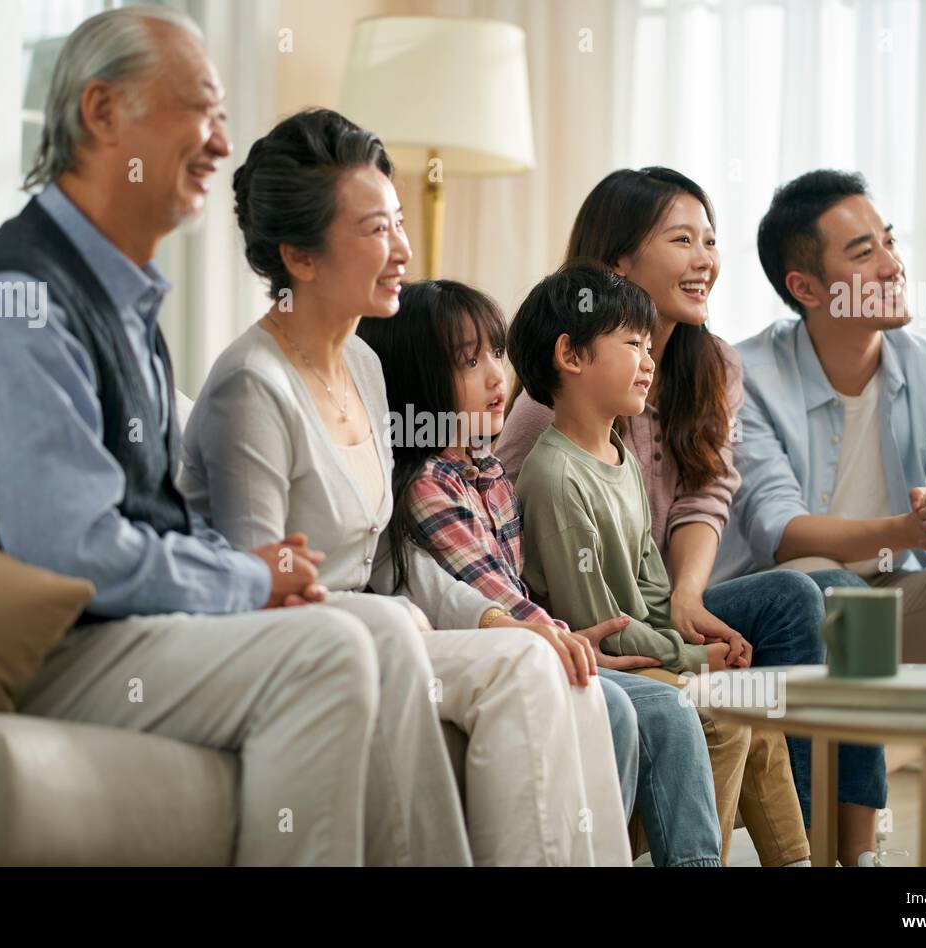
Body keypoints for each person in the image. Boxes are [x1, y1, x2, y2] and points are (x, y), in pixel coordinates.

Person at [0, 7, 402, 866]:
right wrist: (245, 575)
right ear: (101, 113)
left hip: (107, 630)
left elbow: (149, 514)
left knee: (380, 630)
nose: (222, 144)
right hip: (27, 646)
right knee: (329, 651)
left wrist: (260, 581)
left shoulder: (125, 304)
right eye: (201, 108)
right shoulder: (19, 300)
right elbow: (73, 551)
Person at [179, 108, 630, 866]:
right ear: (301, 256)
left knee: (551, 663)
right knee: (513, 662)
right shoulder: (251, 388)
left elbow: (396, 556)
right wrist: (388, 618)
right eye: (376, 229)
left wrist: (505, 622)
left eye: (397, 222)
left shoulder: (363, 364)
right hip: (310, 645)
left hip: (381, 625)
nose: (403, 249)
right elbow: (251, 595)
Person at [498, 168, 884, 865]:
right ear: (617, 261)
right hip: (589, 620)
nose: (705, 258)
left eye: (710, 239)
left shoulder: (714, 367)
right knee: (787, 617)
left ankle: (840, 850)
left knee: (824, 597)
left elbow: (708, 495)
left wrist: (686, 596)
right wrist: (681, 644)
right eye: (682, 239)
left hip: (664, 597)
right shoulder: (549, 419)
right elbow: (536, 559)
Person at [721, 168, 926, 865]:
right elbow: (778, 533)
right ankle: (828, 842)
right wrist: (907, 532)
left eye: (891, 242)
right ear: (804, 287)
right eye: (864, 251)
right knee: (818, 575)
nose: (894, 265)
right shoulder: (744, 374)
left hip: (894, 604)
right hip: (788, 616)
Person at [357, 278, 721, 866]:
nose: (498, 377)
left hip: (541, 641)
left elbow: (521, 591)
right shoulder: (428, 486)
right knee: (647, 709)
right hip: (489, 651)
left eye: (496, 354)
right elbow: (495, 599)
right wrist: (566, 640)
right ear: (416, 379)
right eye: (469, 361)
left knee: (661, 708)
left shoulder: (491, 475)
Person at [505, 259, 810, 867]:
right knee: (722, 719)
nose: (649, 362)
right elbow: (604, 621)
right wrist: (694, 658)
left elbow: (650, 586)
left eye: (649, 346)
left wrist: (691, 640)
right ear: (571, 355)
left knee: (752, 699)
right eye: (632, 345)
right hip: (606, 659)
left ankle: (799, 860)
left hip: (647, 647)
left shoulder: (618, 455)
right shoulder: (556, 476)